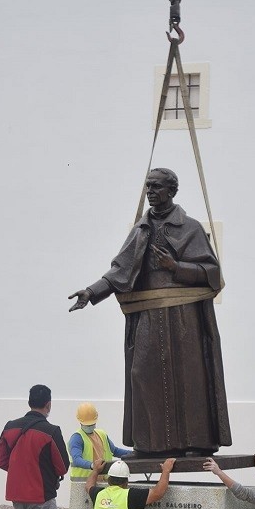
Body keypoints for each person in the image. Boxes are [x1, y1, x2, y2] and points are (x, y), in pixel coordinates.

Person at [68, 168, 231, 458]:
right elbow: (119, 271)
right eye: (147, 186)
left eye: (156, 187)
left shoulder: (191, 228)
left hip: (184, 317)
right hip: (150, 317)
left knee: (189, 377)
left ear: (172, 191)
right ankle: (150, 444)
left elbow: (212, 274)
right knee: (142, 373)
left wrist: (176, 267)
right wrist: (91, 292)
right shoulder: (141, 229)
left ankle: (196, 443)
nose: (150, 192)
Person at [68, 402, 133, 482]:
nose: (90, 426)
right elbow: (77, 459)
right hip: (83, 484)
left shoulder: (102, 435)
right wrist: (92, 465)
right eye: (87, 425)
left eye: (92, 424)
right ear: (80, 421)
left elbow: (115, 451)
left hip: (103, 481)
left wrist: (133, 454)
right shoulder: (77, 438)